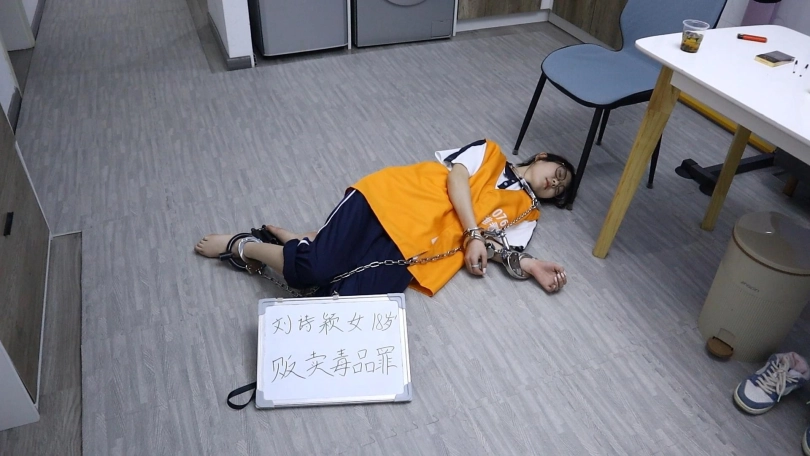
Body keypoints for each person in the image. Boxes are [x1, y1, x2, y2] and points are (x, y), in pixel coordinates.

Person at [195, 139, 574, 297]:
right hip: (389, 202)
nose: (555, 183)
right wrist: (474, 232)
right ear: (542, 157)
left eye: (559, 189)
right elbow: (457, 180)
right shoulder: (489, 151)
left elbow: (500, 248)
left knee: (338, 297)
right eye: (558, 173)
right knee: (313, 269)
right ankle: (244, 246)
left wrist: (531, 265)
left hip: (416, 251)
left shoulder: (527, 214)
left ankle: (301, 240)